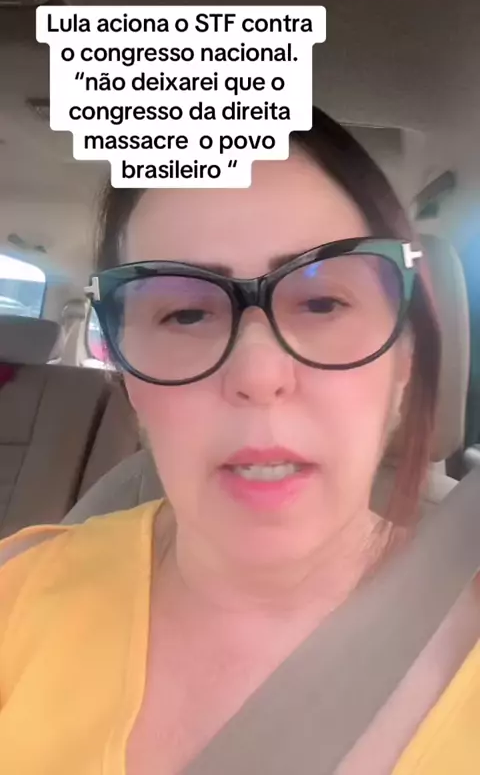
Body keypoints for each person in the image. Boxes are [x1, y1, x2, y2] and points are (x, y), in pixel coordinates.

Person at [0, 107, 478, 775]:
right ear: (130, 378)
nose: (258, 374)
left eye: (323, 304)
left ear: (403, 360)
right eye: (184, 313)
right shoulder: (16, 595)